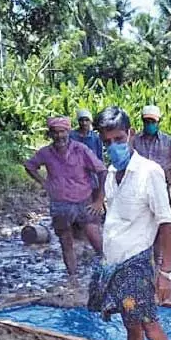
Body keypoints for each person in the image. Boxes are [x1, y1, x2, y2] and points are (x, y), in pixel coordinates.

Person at [89, 106, 171, 340]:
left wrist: (165, 273)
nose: (114, 146)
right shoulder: (112, 174)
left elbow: (166, 223)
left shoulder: (149, 173)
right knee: (132, 323)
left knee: (150, 325)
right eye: (107, 142)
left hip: (136, 265)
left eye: (119, 139)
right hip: (115, 264)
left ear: (131, 134)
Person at [25, 115, 107, 284]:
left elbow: (101, 170)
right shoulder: (46, 153)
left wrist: (99, 199)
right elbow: (29, 165)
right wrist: (43, 182)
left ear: (68, 132)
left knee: (95, 237)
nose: (59, 136)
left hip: (84, 200)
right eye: (55, 132)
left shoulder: (81, 150)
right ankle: (73, 280)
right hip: (60, 204)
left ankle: (108, 271)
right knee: (65, 241)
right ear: (50, 134)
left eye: (62, 131)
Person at [131, 105, 171, 205]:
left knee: (163, 210)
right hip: (139, 186)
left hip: (161, 185)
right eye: (147, 121)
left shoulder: (168, 141)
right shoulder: (134, 141)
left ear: (158, 122)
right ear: (143, 121)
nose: (149, 124)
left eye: (153, 122)